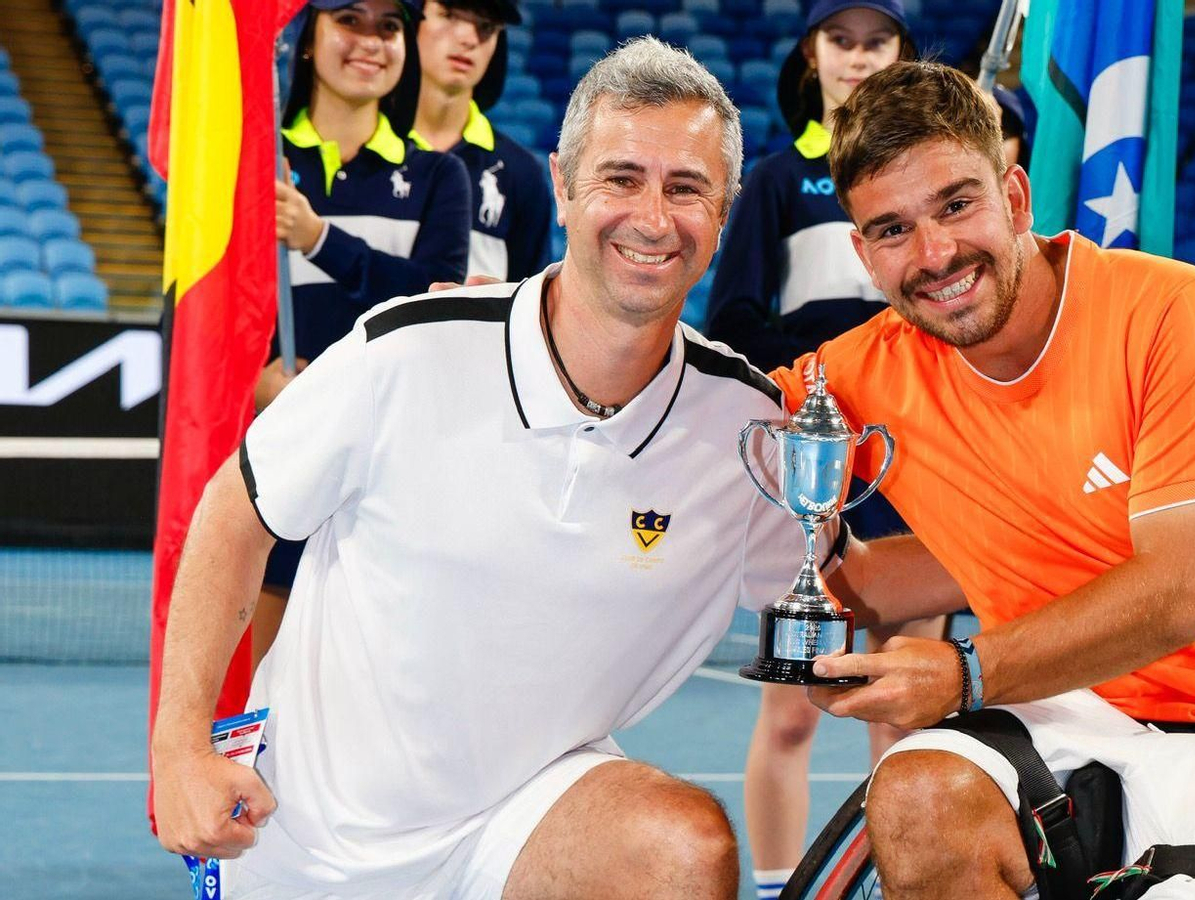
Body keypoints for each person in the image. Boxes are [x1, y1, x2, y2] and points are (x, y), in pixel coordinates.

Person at [149, 39, 939, 898]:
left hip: (523, 827)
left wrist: (1067, 564)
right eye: (621, 177)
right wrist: (181, 744)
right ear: (562, 185)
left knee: (677, 850)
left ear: (724, 211)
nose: (653, 216)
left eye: (686, 188)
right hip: (308, 834)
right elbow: (237, 512)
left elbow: (841, 584)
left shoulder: (747, 427)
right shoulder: (407, 348)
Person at [766, 60, 1195, 899]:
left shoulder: (1177, 313)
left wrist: (965, 671)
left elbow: (1191, 589)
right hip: (1066, 707)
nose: (935, 255)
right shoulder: (852, 376)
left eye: (955, 204)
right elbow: (730, 441)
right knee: (915, 795)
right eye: (894, 229)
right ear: (865, 254)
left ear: (1014, 198)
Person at [701, 4, 932, 895]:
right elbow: (733, 327)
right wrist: (850, 343)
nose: (861, 59)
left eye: (880, 41)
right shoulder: (774, 183)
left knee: (901, 712)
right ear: (813, 52)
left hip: (920, 469)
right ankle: (777, 887)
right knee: (793, 716)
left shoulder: (918, 182)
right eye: (844, 40)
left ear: (903, 53)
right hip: (818, 472)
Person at [251, 0, 472, 665]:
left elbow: (432, 306)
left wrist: (319, 239)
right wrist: (256, 381)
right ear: (310, 41)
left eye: (389, 26)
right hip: (275, 477)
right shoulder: (257, 167)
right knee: (260, 722)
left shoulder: (439, 177)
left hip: (389, 476)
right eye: (350, 19)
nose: (371, 41)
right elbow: (208, 317)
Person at [409, 0, 553, 280]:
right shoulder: (361, 149)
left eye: (486, 26)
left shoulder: (522, 174)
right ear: (411, 21)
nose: (469, 38)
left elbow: (528, 306)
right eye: (449, 14)